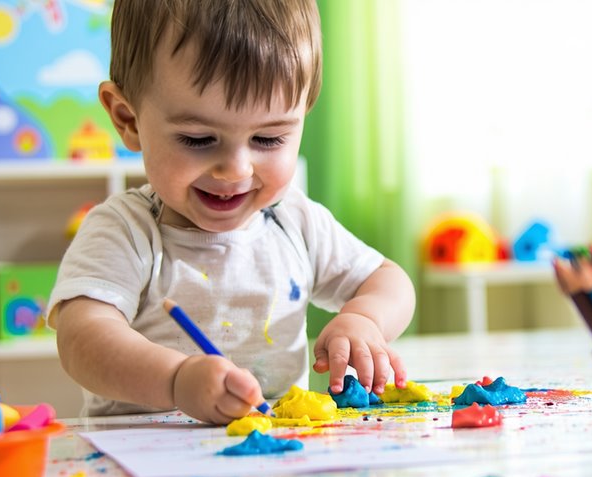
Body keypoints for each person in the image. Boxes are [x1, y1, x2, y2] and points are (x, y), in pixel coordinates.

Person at [47, 0, 415, 424]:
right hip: (141, 458)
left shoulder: (294, 221)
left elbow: (389, 280)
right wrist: (175, 381)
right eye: (198, 139)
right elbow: (82, 339)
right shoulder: (127, 231)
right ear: (128, 118)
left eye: (268, 139)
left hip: (274, 451)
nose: (236, 170)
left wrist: (365, 318)